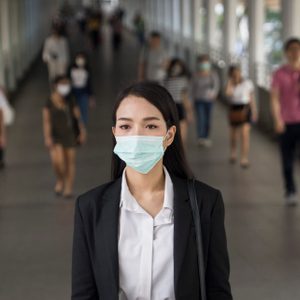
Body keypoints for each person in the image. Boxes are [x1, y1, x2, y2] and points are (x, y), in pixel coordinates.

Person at [72, 82, 232, 299]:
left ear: (169, 135)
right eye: (126, 126)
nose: (137, 137)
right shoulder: (90, 207)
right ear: (115, 133)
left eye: (150, 126)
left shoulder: (205, 203)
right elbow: (83, 294)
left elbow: (217, 290)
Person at [43, 75, 86, 198]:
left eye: (67, 84)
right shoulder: (49, 102)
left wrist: (82, 131)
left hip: (70, 134)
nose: (65, 87)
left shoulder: (70, 100)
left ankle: (68, 187)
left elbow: (78, 117)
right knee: (58, 162)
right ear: (55, 86)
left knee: (70, 162)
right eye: (62, 84)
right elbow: (46, 121)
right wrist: (47, 137)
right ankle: (60, 179)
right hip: (56, 136)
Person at [271, 37, 300, 206]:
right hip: (286, 122)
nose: (295, 52)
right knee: (287, 158)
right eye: (292, 49)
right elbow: (274, 98)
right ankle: (290, 190)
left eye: (297, 49)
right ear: (286, 53)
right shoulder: (279, 73)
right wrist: (277, 119)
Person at [225, 65, 258, 169]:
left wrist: (254, 111)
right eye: (234, 73)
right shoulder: (230, 84)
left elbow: (251, 97)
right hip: (234, 109)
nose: (236, 75)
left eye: (237, 72)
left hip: (245, 109)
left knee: (245, 134)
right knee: (234, 135)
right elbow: (228, 94)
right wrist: (231, 82)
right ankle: (233, 152)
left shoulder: (247, 83)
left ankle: (244, 158)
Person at [190, 55, 220, 147]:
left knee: (207, 119)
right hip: (198, 100)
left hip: (209, 100)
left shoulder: (212, 74)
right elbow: (192, 88)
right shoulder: (195, 74)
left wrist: (214, 94)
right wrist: (191, 100)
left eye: (206, 62)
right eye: (202, 62)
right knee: (200, 118)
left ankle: (206, 136)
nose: (204, 65)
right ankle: (201, 137)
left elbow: (216, 85)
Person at [164, 58, 194, 144]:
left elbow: (185, 97)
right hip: (173, 106)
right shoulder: (167, 79)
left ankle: (178, 152)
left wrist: (189, 112)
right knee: (180, 133)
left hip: (173, 106)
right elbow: (185, 97)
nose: (176, 69)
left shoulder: (166, 79)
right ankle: (180, 153)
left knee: (172, 133)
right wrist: (189, 112)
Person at [70, 52, 94, 125]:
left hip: (84, 92)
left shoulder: (87, 70)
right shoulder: (71, 69)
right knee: (73, 109)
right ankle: (74, 124)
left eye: (82, 58)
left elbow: (89, 84)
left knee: (84, 110)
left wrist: (91, 96)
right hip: (73, 92)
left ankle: (82, 125)